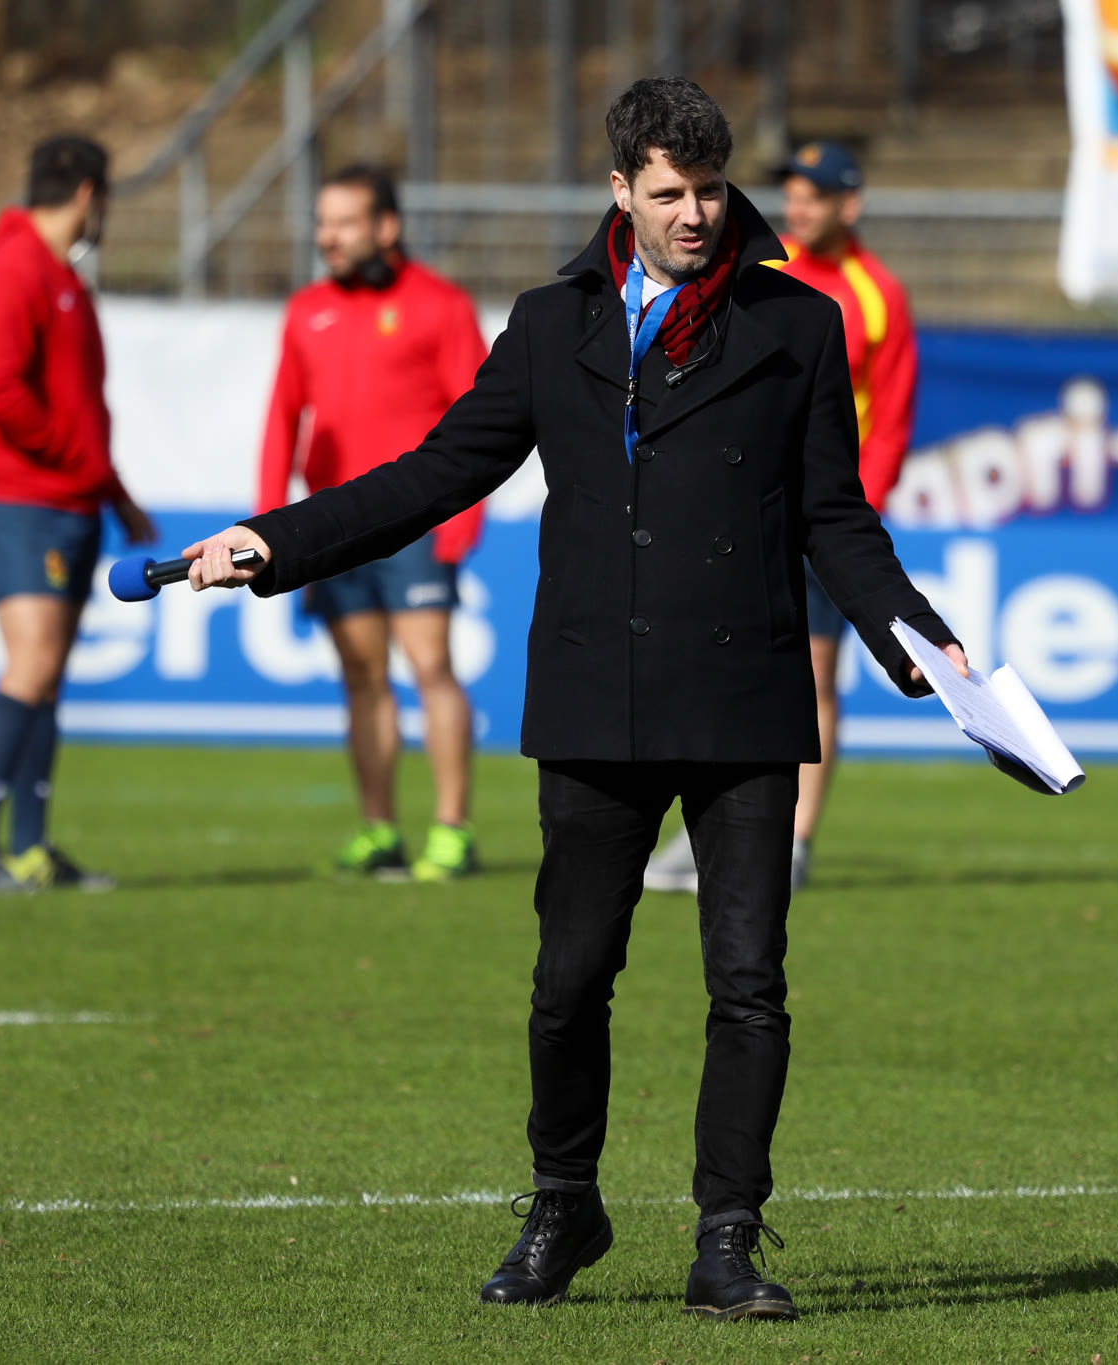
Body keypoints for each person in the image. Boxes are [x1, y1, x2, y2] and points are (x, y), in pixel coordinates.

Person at [178, 78, 967, 1320]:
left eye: (710, 191)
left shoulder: (800, 324)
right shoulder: (552, 325)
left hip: (743, 693)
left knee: (747, 984)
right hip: (596, 689)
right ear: (620, 191)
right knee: (567, 980)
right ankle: (563, 1204)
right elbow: (437, 472)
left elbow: (835, 514)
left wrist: (906, 629)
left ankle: (726, 1238)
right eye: (669, 192)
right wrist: (275, 541)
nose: (695, 214)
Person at [642, 140, 918, 896]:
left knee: (813, 675)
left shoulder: (875, 293)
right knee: (714, 663)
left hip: (818, 517)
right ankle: (706, 825)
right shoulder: (758, 267)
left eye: (814, 193)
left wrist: (849, 517)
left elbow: (890, 421)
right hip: (740, 508)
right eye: (792, 190)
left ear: (849, 205)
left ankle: (793, 839)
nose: (797, 204)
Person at [0, 134, 155, 897]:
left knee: (48, 675)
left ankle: (29, 848)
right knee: (30, 664)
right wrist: (77, 460)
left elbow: (79, 406)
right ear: (89, 193)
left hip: (71, 500)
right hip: (22, 499)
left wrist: (114, 492)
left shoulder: (61, 278)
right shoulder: (13, 269)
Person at [258, 164, 490, 881]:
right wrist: (269, 528)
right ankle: (379, 828)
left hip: (417, 528)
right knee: (362, 677)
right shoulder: (306, 311)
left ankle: (451, 830)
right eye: (322, 222)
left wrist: (462, 522)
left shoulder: (441, 305)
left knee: (430, 668)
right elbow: (281, 419)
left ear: (386, 227)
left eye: (344, 222)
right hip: (332, 529)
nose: (327, 236)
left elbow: (482, 422)